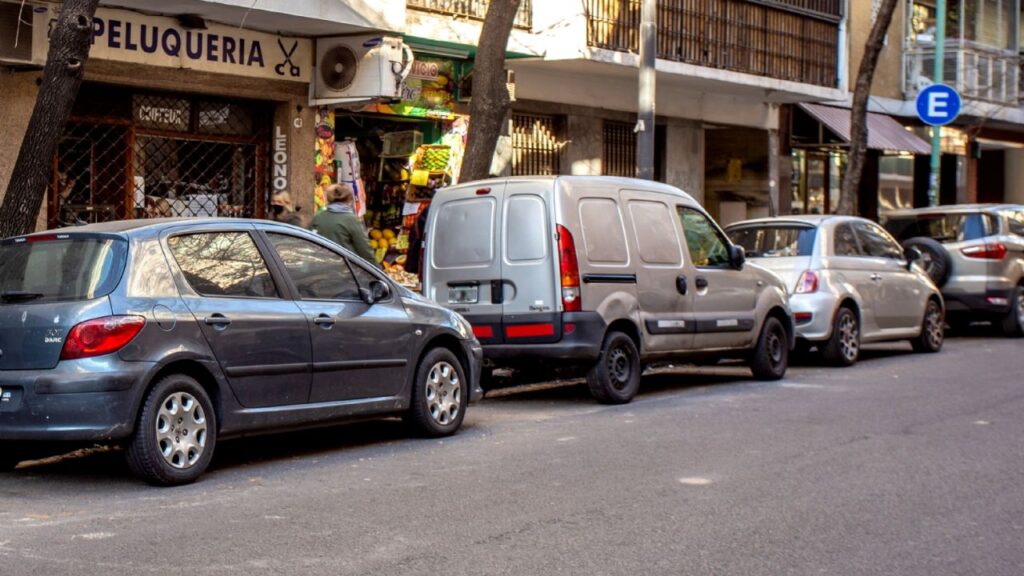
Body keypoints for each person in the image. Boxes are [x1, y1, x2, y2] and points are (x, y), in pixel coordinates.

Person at [311, 183, 376, 263]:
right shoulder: (351, 220)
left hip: (318, 268)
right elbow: (365, 251)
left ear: (328, 198)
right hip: (343, 269)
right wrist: (377, 270)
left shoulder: (318, 217)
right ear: (349, 199)